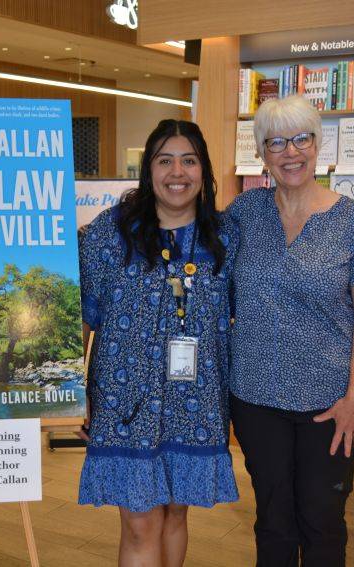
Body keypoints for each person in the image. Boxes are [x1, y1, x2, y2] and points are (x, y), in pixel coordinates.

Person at [227, 94, 354, 567]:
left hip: (332, 403)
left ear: (318, 144)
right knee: (273, 523)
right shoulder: (244, 214)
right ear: (261, 153)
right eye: (276, 142)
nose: (291, 152)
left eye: (302, 139)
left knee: (322, 523)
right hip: (256, 400)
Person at [77, 119, 238, 566]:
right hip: (123, 399)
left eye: (189, 160)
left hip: (198, 398)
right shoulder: (110, 234)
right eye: (164, 161)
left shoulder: (226, 236)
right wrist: (73, 394)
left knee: (173, 514)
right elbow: (85, 318)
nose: (177, 172)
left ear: (203, 170)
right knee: (140, 520)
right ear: (148, 170)